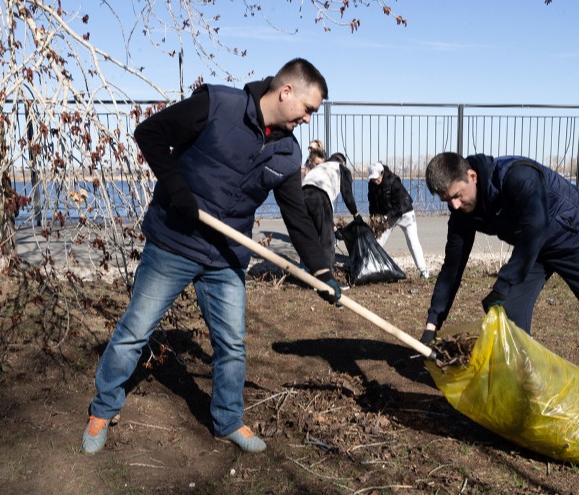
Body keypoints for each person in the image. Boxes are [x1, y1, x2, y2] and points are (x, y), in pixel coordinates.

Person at [82, 58, 341, 455]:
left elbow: (297, 217)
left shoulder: (288, 153)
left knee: (232, 345)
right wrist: (179, 191)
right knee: (136, 330)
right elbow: (149, 134)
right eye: (308, 109)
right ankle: (103, 408)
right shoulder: (217, 105)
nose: (308, 120)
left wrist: (322, 269)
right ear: (286, 91)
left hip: (226, 255)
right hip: (175, 243)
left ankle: (227, 420)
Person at [420, 152, 579, 453]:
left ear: (471, 176)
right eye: (448, 201)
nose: (455, 206)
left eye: (457, 196)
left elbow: (536, 226)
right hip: (533, 250)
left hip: (575, 237)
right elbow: (452, 267)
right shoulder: (462, 211)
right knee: (509, 314)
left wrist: (503, 282)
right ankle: (524, 404)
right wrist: (433, 323)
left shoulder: (517, 176)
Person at [367, 162, 429, 278]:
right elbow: (372, 202)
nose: (375, 181)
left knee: (413, 241)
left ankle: (423, 270)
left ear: (382, 173)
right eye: (372, 178)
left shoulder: (393, 182)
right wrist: (374, 217)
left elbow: (402, 205)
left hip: (405, 214)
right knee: (378, 241)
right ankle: (371, 267)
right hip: (389, 216)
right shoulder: (371, 184)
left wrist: (386, 217)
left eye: (376, 178)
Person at [301, 152, 361, 269]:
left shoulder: (320, 168)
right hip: (320, 198)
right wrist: (355, 213)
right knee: (327, 241)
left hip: (302, 196)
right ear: (343, 163)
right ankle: (327, 278)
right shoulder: (340, 168)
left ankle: (305, 272)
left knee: (308, 236)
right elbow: (347, 194)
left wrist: (333, 228)